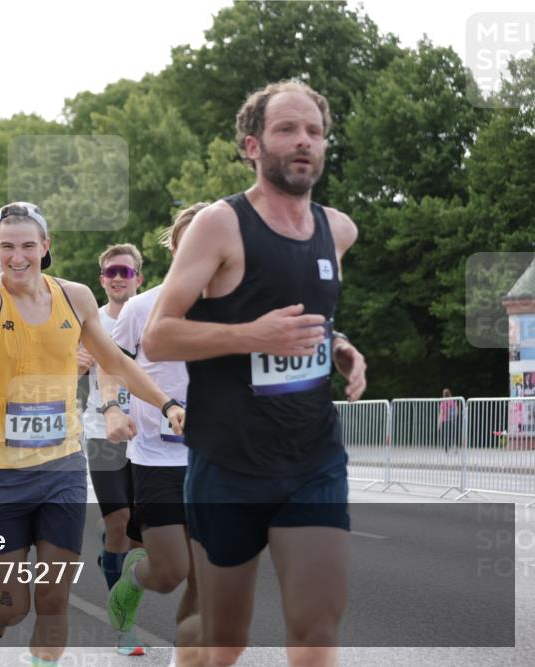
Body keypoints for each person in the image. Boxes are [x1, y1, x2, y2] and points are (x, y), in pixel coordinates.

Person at [143, 81, 368, 666]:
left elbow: (309, 316)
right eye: (287, 130)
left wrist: (339, 344)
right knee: (222, 643)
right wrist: (249, 337)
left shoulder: (338, 230)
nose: (304, 142)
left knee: (317, 633)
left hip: (312, 463)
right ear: (251, 145)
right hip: (229, 467)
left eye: (315, 132)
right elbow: (158, 334)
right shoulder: (220, 225)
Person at [0, 201, 186, 667]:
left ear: (46, 247)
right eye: (6, 247)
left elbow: (118, 362)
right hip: (1, 472)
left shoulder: (76, 297)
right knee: (11, 605)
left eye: (28, 245)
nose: (16, 257)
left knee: (53, 597)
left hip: (62, 467)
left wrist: (166, 403)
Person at [101, 204, 205, 667]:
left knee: (209, 577)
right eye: (189, 240)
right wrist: (110, 411)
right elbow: (112, 366)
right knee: (170, 573)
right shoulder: (143, 307)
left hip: (218, 463)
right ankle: (132, 582)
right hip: (158, 458)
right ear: (175, 247)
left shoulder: (240, 309)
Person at [79, 243, 145, 657]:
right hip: (101, 430)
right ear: (102, 279)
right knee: (119, 521)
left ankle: (117, 558)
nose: (118, 278)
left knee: (144, 533)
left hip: (149, 434)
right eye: (110, 272)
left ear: (139, 275)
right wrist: (76, 359)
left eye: (126, 271)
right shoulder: (89, 321)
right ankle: (125, 625)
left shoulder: (154, 315)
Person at [438, 388, 460, 453]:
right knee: (452, 434)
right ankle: (454, 446)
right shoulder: (453, 401)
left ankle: (446, 449)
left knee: (445, 435)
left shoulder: (443, 403)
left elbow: (441, 413)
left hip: (444, 421)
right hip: (452, 420)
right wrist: (454, 417)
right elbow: (456, 412)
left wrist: (439, 423)